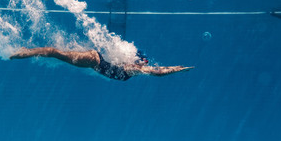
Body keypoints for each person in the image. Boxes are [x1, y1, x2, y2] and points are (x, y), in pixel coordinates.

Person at [10, 47, 194, 81]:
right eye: (141, 62)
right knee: (55, 53)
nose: (142, 66)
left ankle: (27, 51)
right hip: (93, 60)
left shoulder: (134, 68)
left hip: (95, 59)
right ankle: (25, 53)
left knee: (56, 53)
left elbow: (157, 71)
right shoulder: (134, 70)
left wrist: (175, 70)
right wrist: (176, 70)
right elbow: (157, 72)